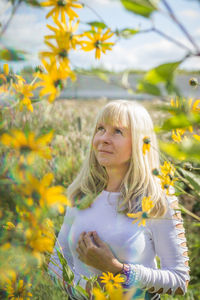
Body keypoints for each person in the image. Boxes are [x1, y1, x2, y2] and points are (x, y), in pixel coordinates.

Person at [48, 100, 190, 299]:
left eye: (117, 132)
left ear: (141, 143)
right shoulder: (81, 195)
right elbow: (56, 264)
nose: (104, 138)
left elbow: (179, 281)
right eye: (100, 129)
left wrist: (116, 269)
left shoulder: (157, 199)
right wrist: (86, 292)